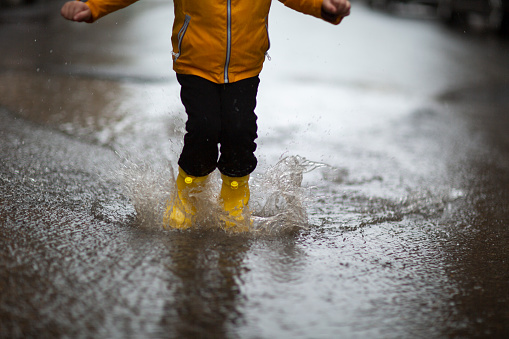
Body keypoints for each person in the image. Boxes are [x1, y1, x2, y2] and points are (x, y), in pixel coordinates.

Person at [61, 0, 351, 231]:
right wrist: (93, 6)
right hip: (195, 63)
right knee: (204, 127)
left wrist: (323, 6)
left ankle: (235, 201)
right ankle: (187, 198)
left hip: (245, 66)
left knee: (240, 131)